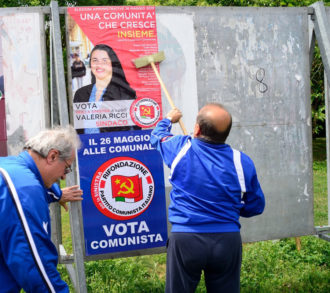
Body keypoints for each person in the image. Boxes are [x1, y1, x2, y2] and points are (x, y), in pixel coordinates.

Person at [150, 103, 265, 293]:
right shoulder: (241, 161)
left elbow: (157, 136)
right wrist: (233, 209)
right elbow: (256, 206)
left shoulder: (179, 148)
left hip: (186, 239)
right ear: (226, 133)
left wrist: (168, 119)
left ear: (196, 129)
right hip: (227, 240)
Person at [0, 125, 82, 292]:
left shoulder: (9, 166)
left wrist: (55, 193)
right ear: (52, 156)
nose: (64, 176)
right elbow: (34, 262)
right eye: (66, 167)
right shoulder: (24, 189)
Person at [73, 44, 140, 133]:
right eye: (95, 60)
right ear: (90, 64)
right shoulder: (80, 94)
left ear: (112, 64)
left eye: (104, 61)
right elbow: (78, 131)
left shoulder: (126, 94)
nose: (99, 65)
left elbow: (134, 132)